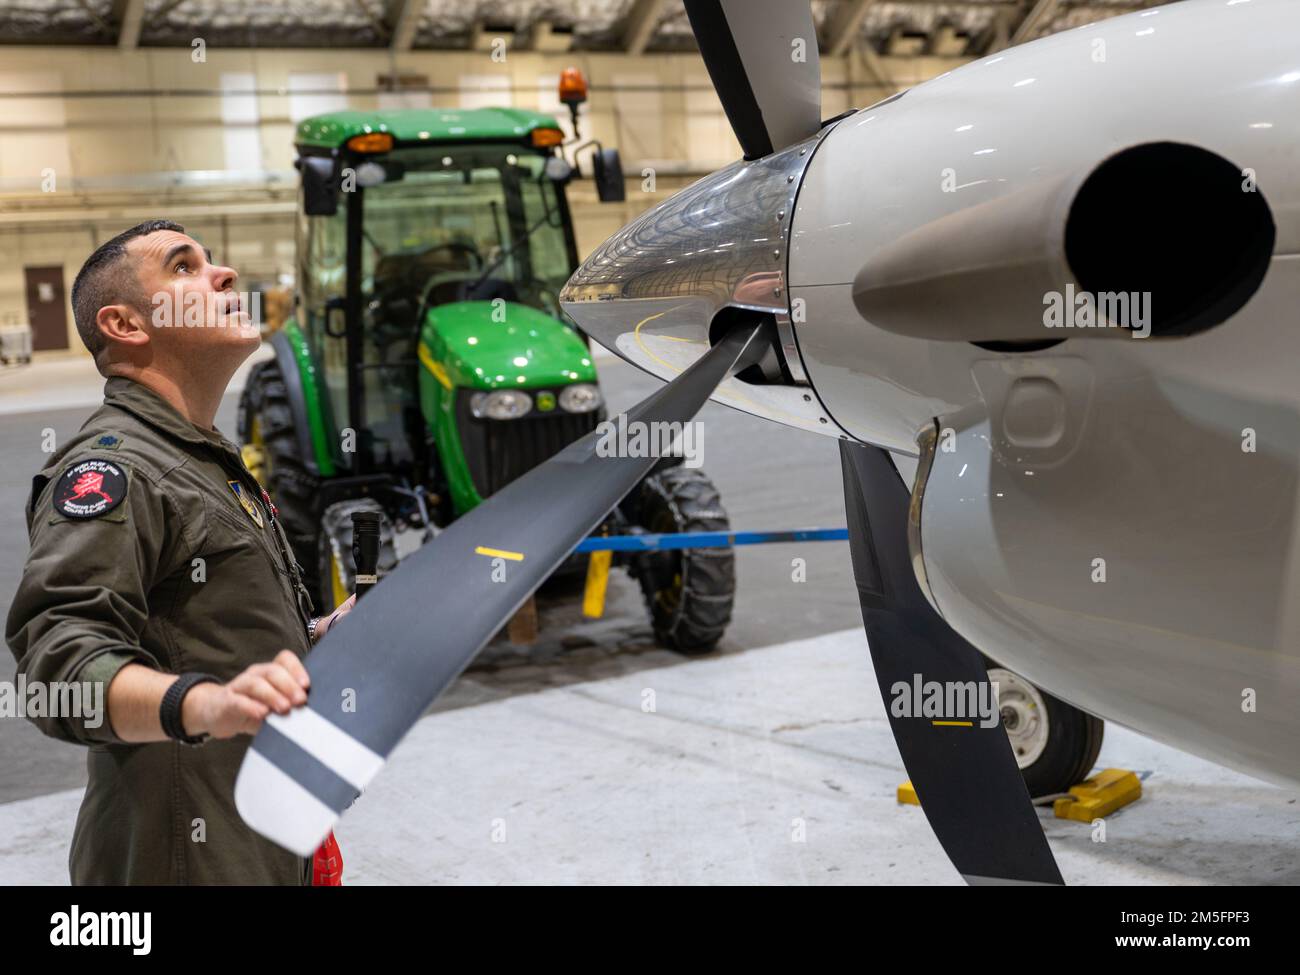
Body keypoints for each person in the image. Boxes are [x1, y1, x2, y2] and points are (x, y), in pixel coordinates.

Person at [5, 219, 352, 884]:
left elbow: (204, 634)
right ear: (127, 325)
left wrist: (314, 637)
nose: (223, 274)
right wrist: (204, 705)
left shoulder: (200, 459)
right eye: (185, 265)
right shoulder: (117, 469)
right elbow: (54, 674)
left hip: (256, 837)